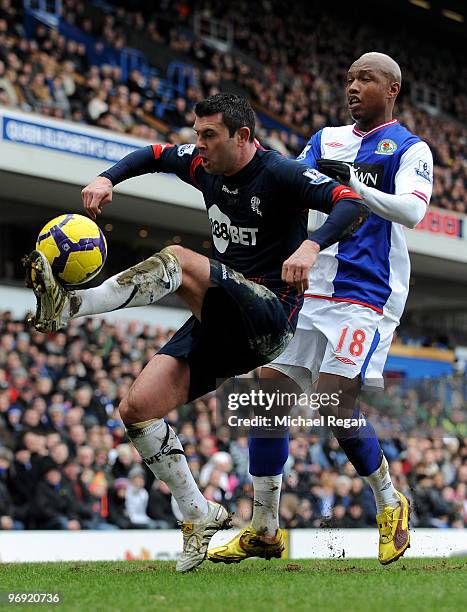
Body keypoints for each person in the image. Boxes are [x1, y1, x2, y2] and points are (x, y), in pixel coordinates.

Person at [24, 93, 368, 571]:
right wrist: (107, 177)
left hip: (271, 317)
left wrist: (311, 246)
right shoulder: (202, 165)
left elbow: (350, 203)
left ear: (243, 137)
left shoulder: (282, 173)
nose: (198, 145)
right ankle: (198, 513)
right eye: (196, 133)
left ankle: (74, 304)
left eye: (209, 135)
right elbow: (154, 154)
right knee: (137, 409)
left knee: (179, 260)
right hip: (224, 318)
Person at [209, 54, 433, 566]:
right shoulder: (326, 138)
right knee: (267, 397)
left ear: (392, 88)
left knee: (334, 404)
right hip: (309, 287)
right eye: (349, 78)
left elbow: (414, 211)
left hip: (364, 292)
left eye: (366, 79)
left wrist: (355, 187)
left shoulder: (409, 148)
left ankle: (389, 502)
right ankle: (264, 527)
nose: (353, 86)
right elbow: (296, 188)